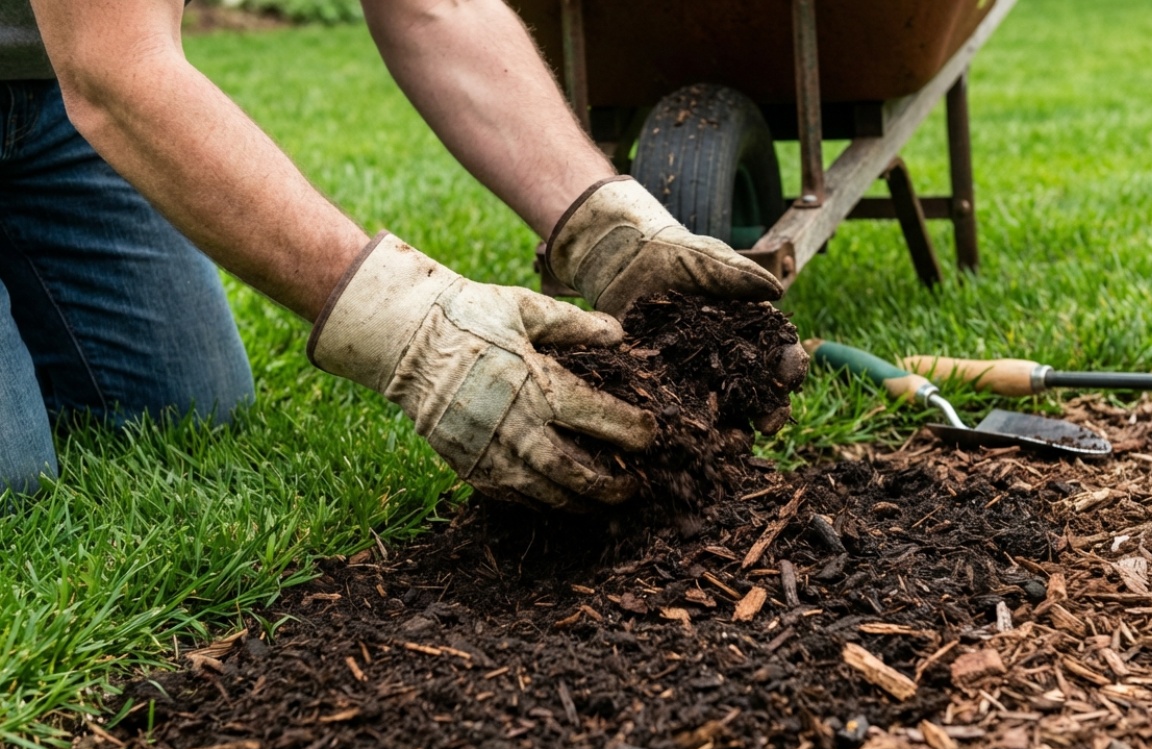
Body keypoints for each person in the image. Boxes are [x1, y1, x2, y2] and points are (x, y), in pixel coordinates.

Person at [1, 0, 792, 509]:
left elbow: (437, 6)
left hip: (48, 97)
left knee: (187, 410)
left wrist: (605, 224)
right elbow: (115, 72)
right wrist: (413, 330)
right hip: (95, 69)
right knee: (17, 479)